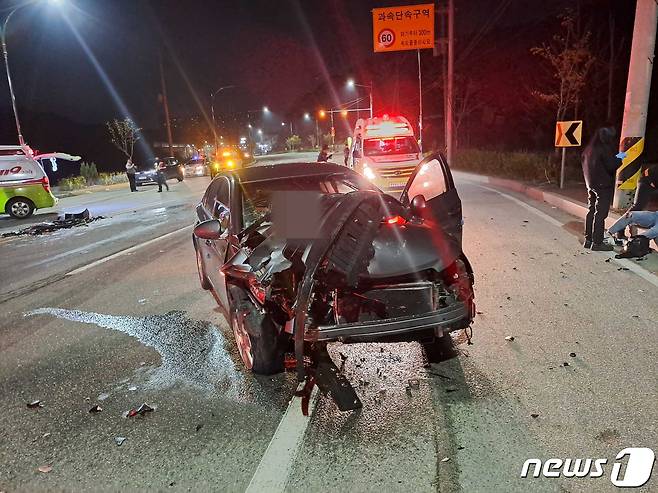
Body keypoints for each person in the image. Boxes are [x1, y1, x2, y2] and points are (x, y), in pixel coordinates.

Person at [581, 126, 623, 251]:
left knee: (591, 211)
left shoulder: (588, 149)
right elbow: (612, 165)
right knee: (600, 214)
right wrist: (621, 156)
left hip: (590, 185)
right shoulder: (603, 149)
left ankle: (588, 240)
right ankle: (597, 243)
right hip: (603, 186)